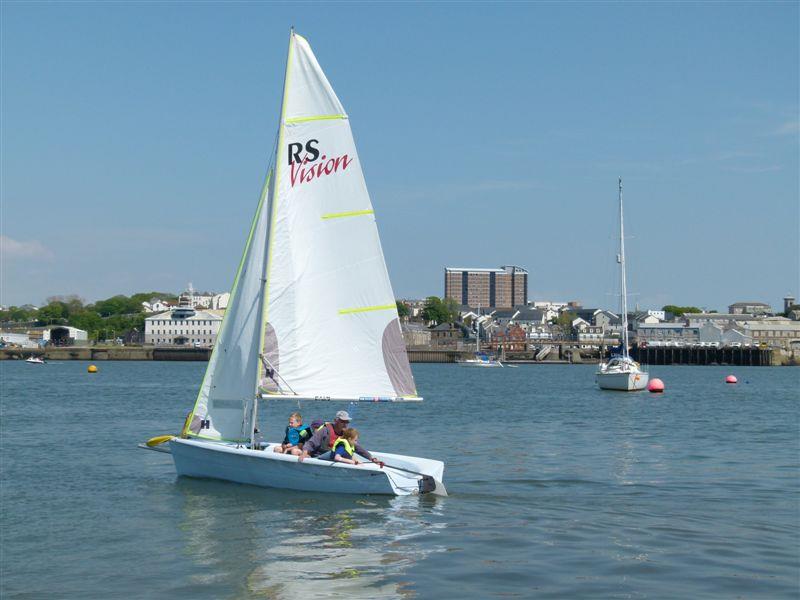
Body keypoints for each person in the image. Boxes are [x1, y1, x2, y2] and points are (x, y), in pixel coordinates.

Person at [298, 410, 383, 466]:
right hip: (321, 458)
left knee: (349, 452)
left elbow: (358, 448)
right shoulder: (325, 430)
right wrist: (304, 452)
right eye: (343, 421)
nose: (345, 424)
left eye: (347, 422)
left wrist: (372, 458)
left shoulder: (346, 434)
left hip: (336, 458)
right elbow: (311, 443)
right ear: (336, 420)